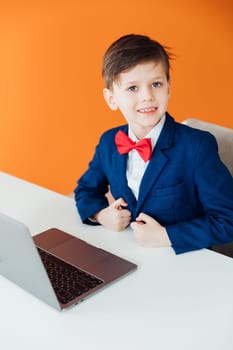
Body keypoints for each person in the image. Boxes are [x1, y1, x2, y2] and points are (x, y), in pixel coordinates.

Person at [74, 33, 233, 254]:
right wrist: (100, 215)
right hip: (130, 255)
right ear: (111, 98)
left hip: (186, 262)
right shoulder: (109, 142)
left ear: (168, 88)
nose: (147, 96)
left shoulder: (197, 147)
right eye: (132, 88)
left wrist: (167, 235)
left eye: (156, 84)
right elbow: (85, 190)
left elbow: (228, 220)